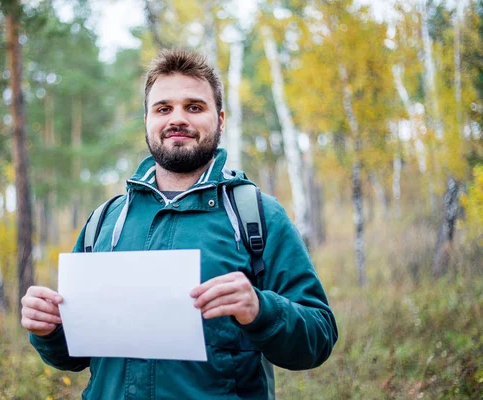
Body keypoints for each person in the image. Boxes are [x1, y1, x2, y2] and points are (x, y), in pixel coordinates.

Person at [21, 48, 338, 399]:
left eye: (194, 107)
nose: (177, 119)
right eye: (163, 108)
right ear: (147, 121)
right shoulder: (105, 223)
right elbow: (75, 356)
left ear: (220, 119)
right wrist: (48, 329)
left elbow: (318, 337)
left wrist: (260, 309)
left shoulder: (257, 216)